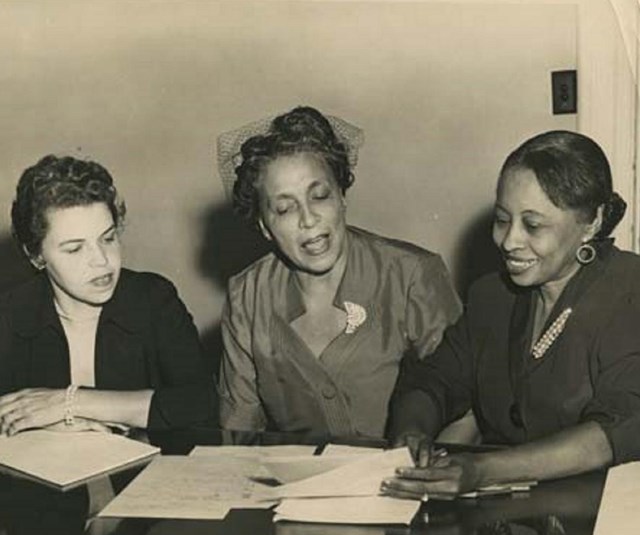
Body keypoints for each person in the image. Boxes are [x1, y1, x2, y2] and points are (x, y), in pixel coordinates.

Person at [382, 130, 640, 498]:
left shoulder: (631, 291)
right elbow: (431, 380)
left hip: (601, 520)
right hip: (510, 529)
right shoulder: (492, 296)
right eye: (503, 219)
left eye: (532, 225)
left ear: (592, 222)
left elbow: (613, 431)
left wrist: (483, 470)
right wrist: (411, 434)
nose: (509, 241)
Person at [216, 106, 461, 442]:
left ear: (342, 195)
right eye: (285, 208)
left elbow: (465, 408)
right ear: (264, 226)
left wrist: (429, 481)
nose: (309, 218)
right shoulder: (246, 295)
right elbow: (239, 431)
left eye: (320, 196)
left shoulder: (411, 275)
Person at [0, 154, 216, 437]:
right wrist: (61, 424)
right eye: (74, 249)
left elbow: (201, 403)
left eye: (108, 238)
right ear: (36, 255)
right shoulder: (10, 314)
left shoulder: (153, 299)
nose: (101, 260)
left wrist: (70, 402)